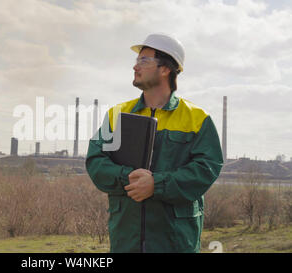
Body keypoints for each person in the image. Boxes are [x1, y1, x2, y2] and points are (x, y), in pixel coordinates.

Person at [85, 33, 223, 253]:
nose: (135, 66)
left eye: (143, 60)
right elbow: (96, 161)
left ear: (165, 68)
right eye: (136, 61)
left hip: (175, 242)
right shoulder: (117, 114)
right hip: (126, 241)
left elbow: (207, 168)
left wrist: (156, 185)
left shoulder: (197, 119)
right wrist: (126, 177)